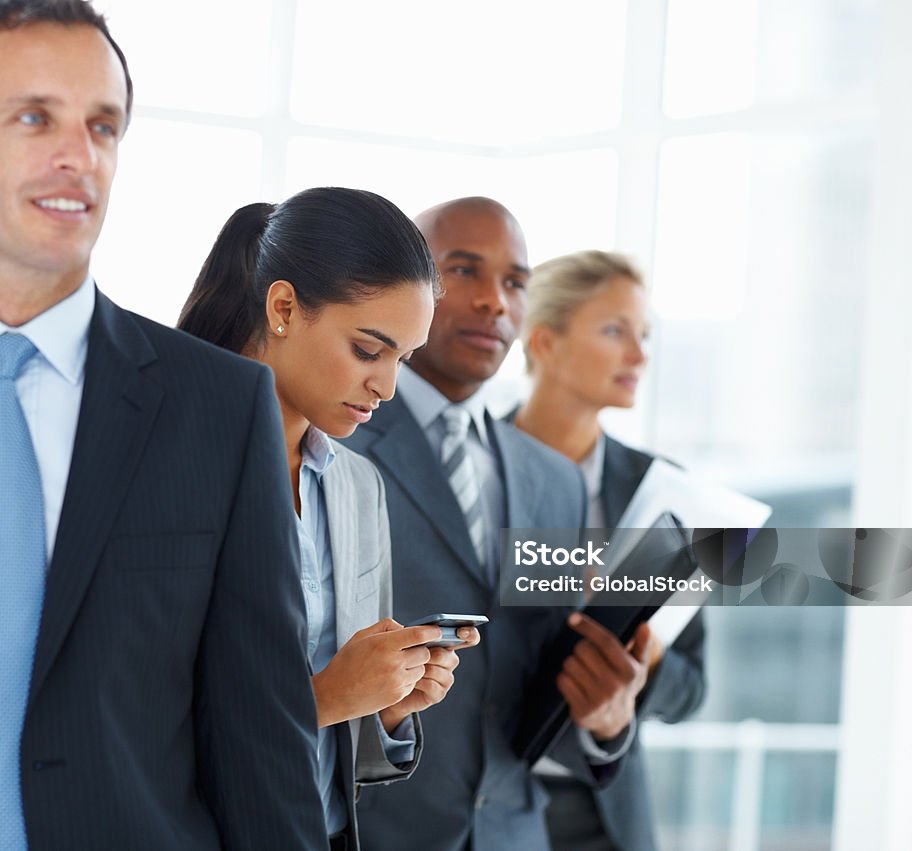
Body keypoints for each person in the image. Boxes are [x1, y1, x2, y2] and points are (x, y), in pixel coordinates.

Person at [0, 2, 326, 849]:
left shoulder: (220, 408)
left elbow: (261, 741)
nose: (78, 156)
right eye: (33, 117)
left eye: (103, 125)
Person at [345, 197, 653, 851]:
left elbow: (532, 687)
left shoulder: (554, 481)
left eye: (515, 282)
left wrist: (607, 720)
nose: (494, 301)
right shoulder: (338, 444)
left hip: (515, 832)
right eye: (463, 271)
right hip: (375, 833)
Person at [178, 187, 480, 850]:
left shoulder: (356, 486)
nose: (388, 387)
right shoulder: (165, 466)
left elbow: (340, 759)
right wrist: (325, 697)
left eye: (403, 358)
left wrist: (387, 708)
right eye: (370, 350)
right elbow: (124, 730)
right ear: (283, 307)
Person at [513, 249, 707, 851]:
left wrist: (640, 656)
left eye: (644, 335)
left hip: (605, 815)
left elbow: (692, 690)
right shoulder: (469, 470)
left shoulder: (667, 491)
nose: (639, 355)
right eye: (615, 330)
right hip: (478, 804)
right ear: (544, 342)